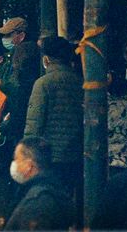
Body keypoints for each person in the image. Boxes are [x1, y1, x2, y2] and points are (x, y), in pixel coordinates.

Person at [24, 36, 83, 206]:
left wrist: (27, 152)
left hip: (50, 155)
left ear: (46, 58)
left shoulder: (43, 84)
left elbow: (34, 122)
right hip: (75, 153)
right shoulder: (80, 81)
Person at [4, 137, 77, 230]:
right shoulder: (52, 189)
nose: (15, 164)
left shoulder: (36, 203)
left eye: (17, 159)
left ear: (29, 166)